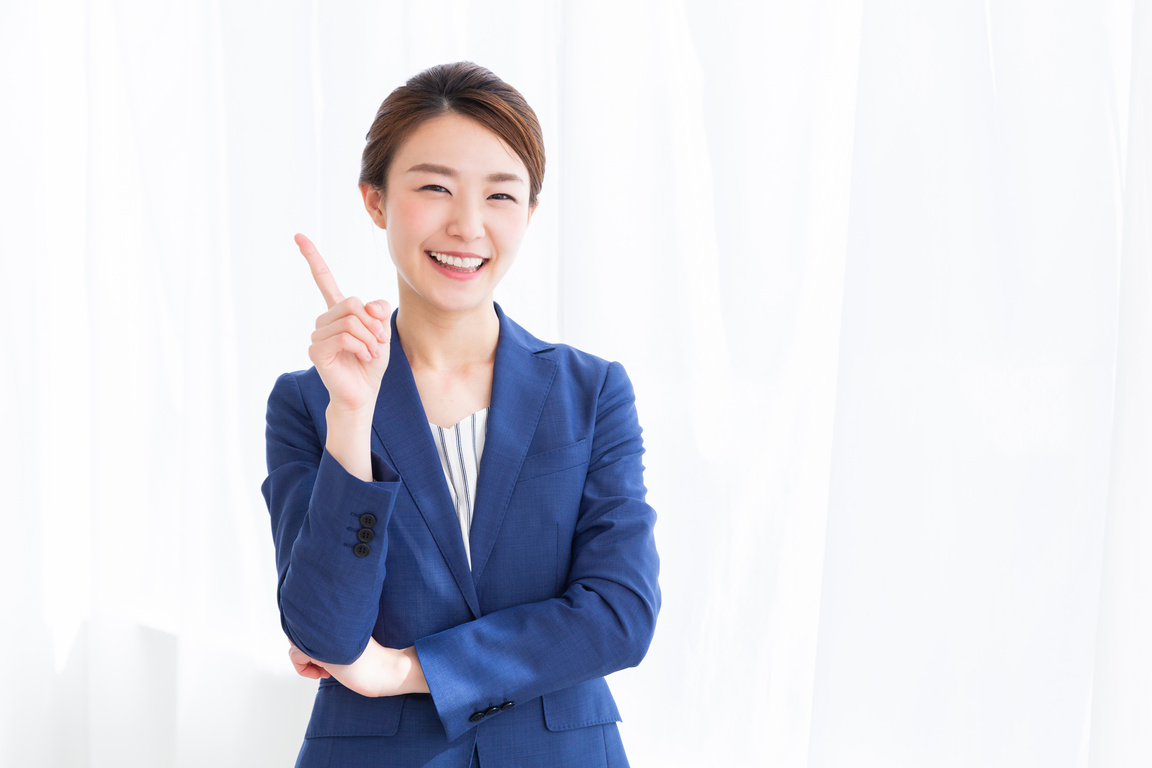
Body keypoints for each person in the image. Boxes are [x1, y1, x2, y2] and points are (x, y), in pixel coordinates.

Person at [262, 61, 660, 768]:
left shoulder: (591, 392)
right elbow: (326, 631)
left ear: (530, 213)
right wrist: (352, 414)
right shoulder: (307, 402)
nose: (467, 225)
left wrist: (407, 669)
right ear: (376, 200)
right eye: (434, 187)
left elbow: (619, 616)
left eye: (501, 196)